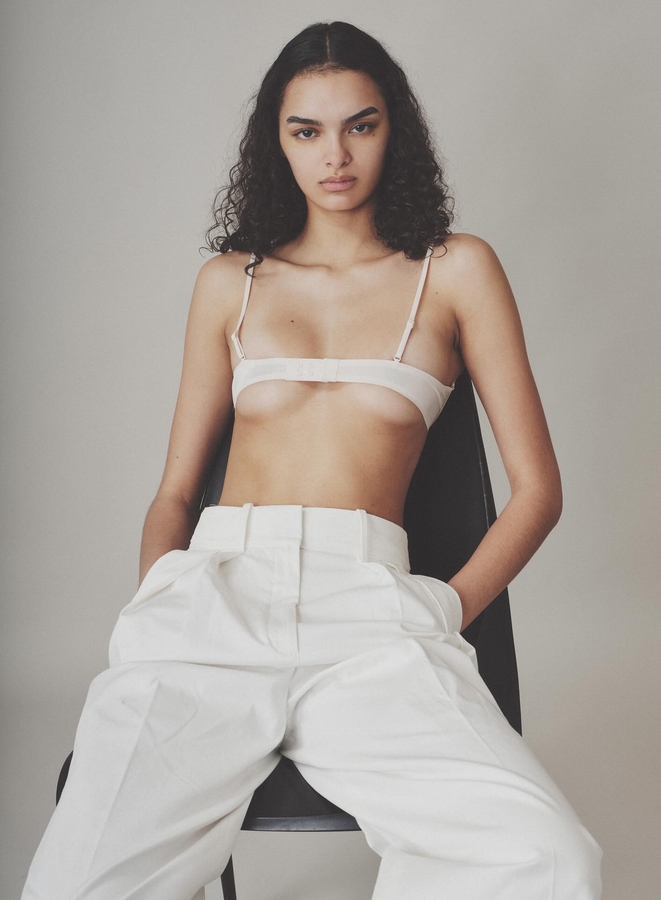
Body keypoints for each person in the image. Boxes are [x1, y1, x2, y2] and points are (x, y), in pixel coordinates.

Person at [22, 20, 603, 900]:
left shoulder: (455, 271)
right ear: (277, 142)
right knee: (82, 882)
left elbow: (538, 492)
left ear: (393, 129)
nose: (335, 155)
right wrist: (160, 603)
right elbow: (175, 491)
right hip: (214, 599)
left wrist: (444, 608)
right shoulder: (231, 282)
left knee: (546, 856)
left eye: (360, 125)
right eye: (307, 131)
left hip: (370, 612)